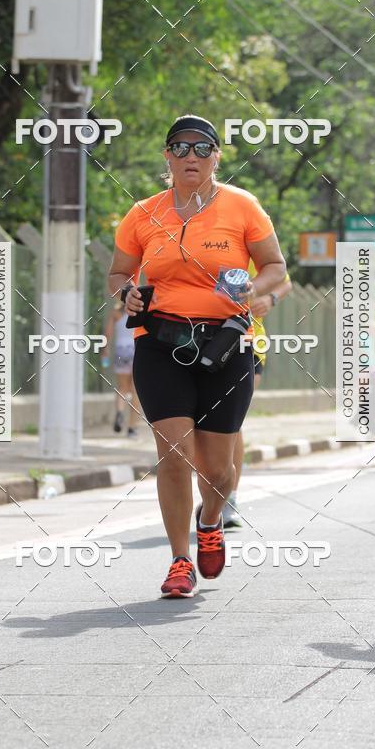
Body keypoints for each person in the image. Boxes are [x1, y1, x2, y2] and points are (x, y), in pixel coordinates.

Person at [108, 114, 286, 597]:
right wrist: (127, 294)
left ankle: (210, 520)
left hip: (228, 343)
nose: (191, 157)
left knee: (217, 467)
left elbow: (276, 268)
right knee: (171, 454)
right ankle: (179, 561)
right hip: (161, 343)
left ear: (216, 156)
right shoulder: (143, 213)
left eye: (201, 148)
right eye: (180, 148)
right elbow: (118, 274)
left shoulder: (242, 207)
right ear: (166, 156)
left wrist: (254, 288)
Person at [223, 269, 292, 528]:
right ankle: (214, 492)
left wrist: (271, 298)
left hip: (247, 342)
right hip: (198, 342)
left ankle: (229, 500)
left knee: (231, 422)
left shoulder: (249, 237)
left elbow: (285, 280)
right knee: (200, 427)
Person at [102, 301, 141, 438]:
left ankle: (119, 412)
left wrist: (105, 351)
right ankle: (132, 428)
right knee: (135, 391)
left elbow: (107, 334)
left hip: (121, 352)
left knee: (122, 388)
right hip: (135, 350)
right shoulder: (139, 311)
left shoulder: (116, 313)